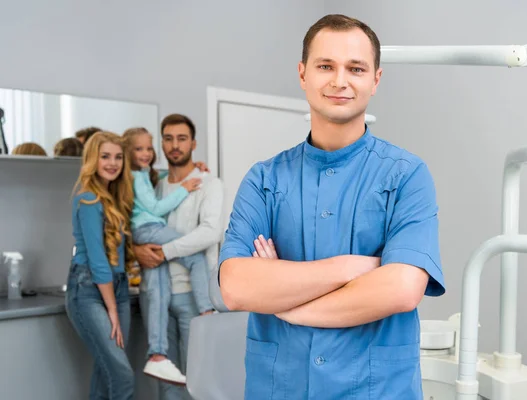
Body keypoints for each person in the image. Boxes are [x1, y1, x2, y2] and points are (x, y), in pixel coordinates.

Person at [218, 14, 446, 399]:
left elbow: (402, 289)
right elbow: (236, 287)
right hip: (280, 388)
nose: (340, 80)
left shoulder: (406, 175)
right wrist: (349, 268)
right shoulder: (264, 180)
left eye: (355, 68)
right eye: (326, 66)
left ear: (375, 80)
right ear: (303, 73)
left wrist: (287, 304)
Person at [134, 113, 224, 400]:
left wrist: (165, 252)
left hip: (192, 297)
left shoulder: (208, 184)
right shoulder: (154, 184)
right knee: (166, 384)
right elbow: (136, 225)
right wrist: (136, 251)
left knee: (197, 383)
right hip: (156, 295)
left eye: (182, 138)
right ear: (161, 144)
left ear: (193, 143)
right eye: (169, 139)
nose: (175, 145)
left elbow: (210, 232)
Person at [65, 131, 135, 400]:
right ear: (93, 159)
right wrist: (113, 309)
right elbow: (98, 261)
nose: (112, 163)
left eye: (118, 157)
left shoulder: (113, 196)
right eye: (105, 156)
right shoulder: (88, 199)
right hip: (89, 290)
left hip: (117, 287)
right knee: (121, 375)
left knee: (106, 371)